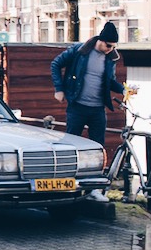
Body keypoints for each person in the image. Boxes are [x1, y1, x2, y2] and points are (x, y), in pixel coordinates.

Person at [51, 21, 129, 202]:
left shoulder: (111, 58)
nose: (110, 49)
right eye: (108, 45)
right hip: (77, 105)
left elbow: (110, 82)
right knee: (71, 145)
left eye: (114, 46)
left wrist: (124, 90)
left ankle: (94, 189)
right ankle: (65, 186)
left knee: (97, 149)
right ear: (100, 40)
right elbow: (56, 64)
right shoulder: (80, 50)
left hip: (97, 109)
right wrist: (59, 89)